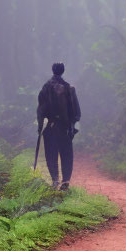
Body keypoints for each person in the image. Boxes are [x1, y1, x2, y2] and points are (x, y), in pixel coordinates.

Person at [37, 62, 81, 190]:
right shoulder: (69, 88)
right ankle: (65, 181)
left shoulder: (45, 88)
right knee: (66, 154)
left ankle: (55, 180)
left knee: (51, 154)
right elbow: (76, 112)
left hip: (50, 127)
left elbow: (41, 110)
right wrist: (73, 126)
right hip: (65, 128)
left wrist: (40, 126)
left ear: (53, 70)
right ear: (63, 71)